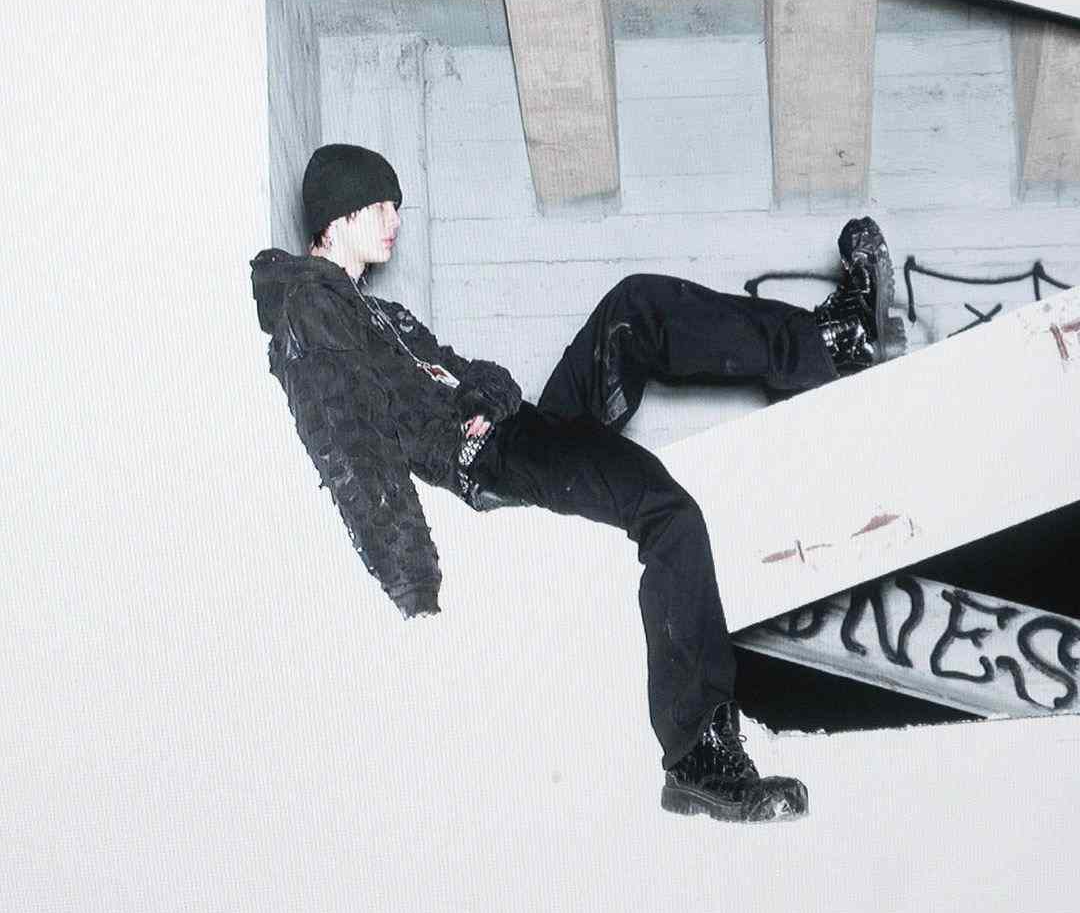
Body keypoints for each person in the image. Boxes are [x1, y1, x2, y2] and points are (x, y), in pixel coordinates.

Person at [250, 144, 906, 824]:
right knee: (668, 512)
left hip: (517, 430)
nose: (394, 221)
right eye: (382, 206)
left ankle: (835, 339)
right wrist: (410, 576)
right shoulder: (313, 309)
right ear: (339, 215)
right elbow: (347, 441)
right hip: (494, 458)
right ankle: (699, 756)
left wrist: (483, 391)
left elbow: (468, 372)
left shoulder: (382, 314)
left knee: (634, 307)